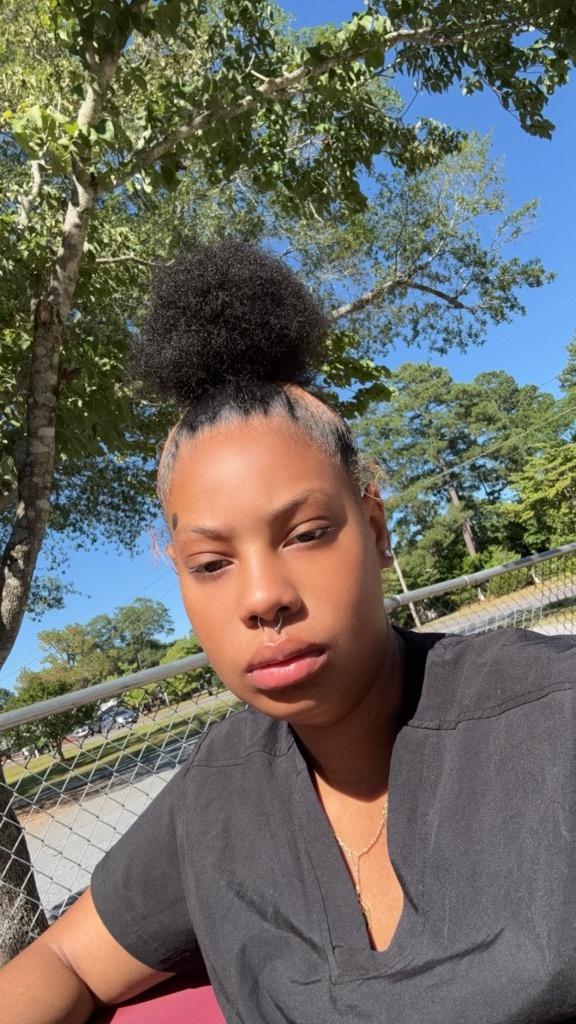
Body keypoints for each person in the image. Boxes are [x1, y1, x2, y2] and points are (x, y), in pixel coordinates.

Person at [1, 241, 575, 1024]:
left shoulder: (551, 717)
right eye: (211, 563)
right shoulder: (218, 796)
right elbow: (66, 959)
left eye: (306, 535)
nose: (263, 598)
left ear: (375, 529)